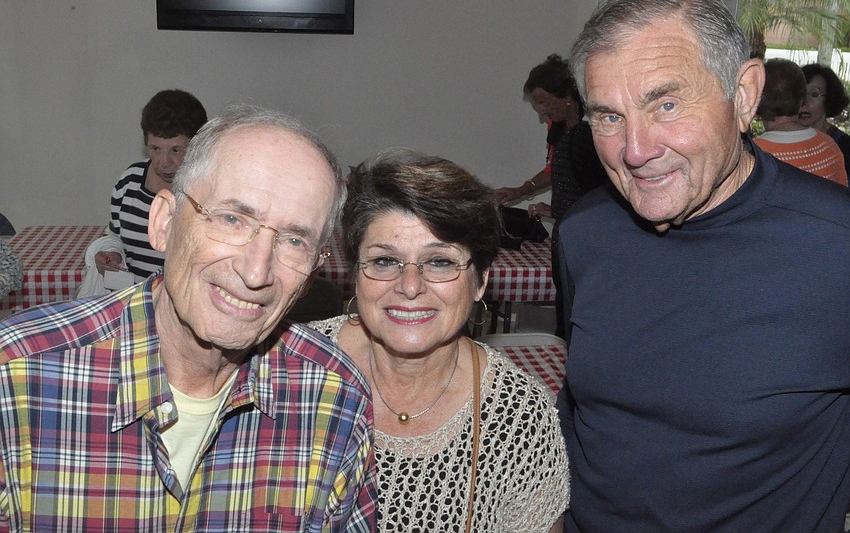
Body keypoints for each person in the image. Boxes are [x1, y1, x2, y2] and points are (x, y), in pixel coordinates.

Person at [0, 104, 377, 531]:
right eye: (232, 218)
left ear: (312, 274)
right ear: (163, 222)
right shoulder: (16, 381)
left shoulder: (334, 398)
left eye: (294, 240)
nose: (256, 272)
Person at [558, 0, 850, 531]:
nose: (635, 150)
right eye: (608, 117)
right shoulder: (583, 234)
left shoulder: (837, 245)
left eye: (665, 104)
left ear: (744, 95)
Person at [309, 148, 569, 532]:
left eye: (441, 261)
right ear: (356, 275)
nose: (410, 286)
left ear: (480, 280)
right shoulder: (291, 370)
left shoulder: (520, 418)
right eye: (384, 260)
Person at [496, 55, 607, 338]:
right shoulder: (560, 128)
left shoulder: (590, 133)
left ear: (568, 97)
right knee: (564, 304)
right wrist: (524, 191)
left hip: (587, 237)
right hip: (567, 229)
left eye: (545, 103)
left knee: (577, 307)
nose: (542, 112)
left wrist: (560, 210)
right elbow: (556, 171)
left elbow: (596, 193)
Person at [88, 89, 209, 287]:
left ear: (197, 144)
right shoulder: (130, 181)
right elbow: (114, 235)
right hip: (135, 303)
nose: (164, 162)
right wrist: (111, 253)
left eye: (176, 150)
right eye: (155, 149)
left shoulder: (208, 191)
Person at [754, 58, 847, 185]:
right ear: (800, 100)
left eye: (814, 95)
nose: (807, 103)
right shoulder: (829, 146)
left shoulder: (755, 155)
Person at [800, 62, 850, 176]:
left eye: (814, 95)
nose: (804, 102)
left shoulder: (844, 146)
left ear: (829, 99)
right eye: (800, 94)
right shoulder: (785, 139)